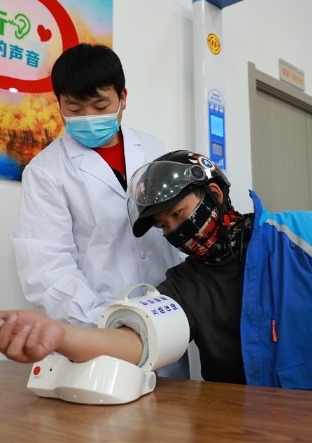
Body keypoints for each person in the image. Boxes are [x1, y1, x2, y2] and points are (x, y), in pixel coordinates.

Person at [0, 150, 312, 398]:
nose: (175, 231)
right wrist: (59, 335)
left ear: (215, 194)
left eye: (178, 213)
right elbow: (137, 340)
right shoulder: (185, 284)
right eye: (164, 226)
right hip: (252, 427)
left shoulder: (311, 234)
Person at [11, 44, 186, 375]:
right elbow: (47, 269)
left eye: (100, 105)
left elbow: (177, 233)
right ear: (59, 104)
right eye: (74, 108)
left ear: (123, 98)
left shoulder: (153, 149)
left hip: (167, 322)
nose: (88, 118)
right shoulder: (46, 171)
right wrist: (107, 322)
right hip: (97, 331)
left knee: (176, 406)